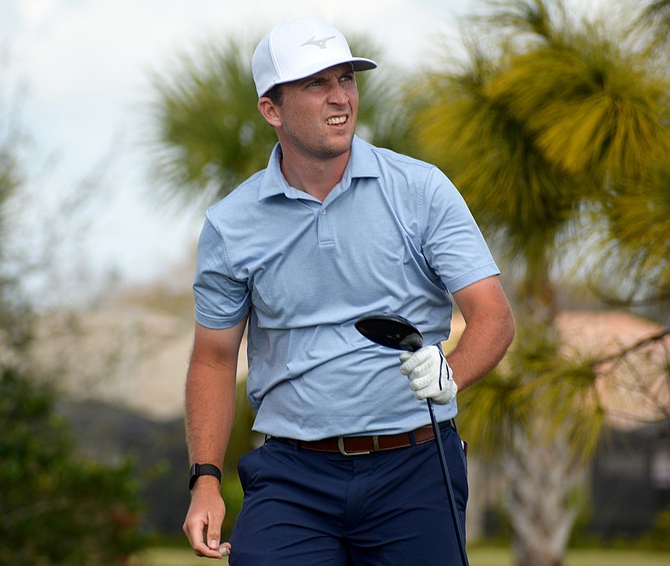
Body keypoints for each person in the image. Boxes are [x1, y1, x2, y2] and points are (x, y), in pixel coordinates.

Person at [182, 17, 514, 565]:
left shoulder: (421, 190)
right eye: (316, 84)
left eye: (346, 79)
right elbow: (214, 360)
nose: (340, 98)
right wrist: (206, 481)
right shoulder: (230, 224)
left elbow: (493, 316)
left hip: (416, 467)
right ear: (272, 109)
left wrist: (449, 372)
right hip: (293, 475)